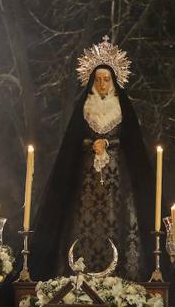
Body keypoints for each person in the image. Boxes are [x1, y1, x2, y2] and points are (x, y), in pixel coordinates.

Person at [28, 37, 156, 281]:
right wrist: (90, 143)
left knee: (118, 217)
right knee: (81, 219)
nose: (102, 83)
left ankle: (123, 275)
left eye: (106, 79)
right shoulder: (85, 107)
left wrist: (108, 143)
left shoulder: (122, 107)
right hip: (86, 175)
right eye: (98, 79)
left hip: (119, 176)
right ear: (92, 81)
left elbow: (132, 142)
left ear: (114, 80)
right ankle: (78, 272)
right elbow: (72, 142)